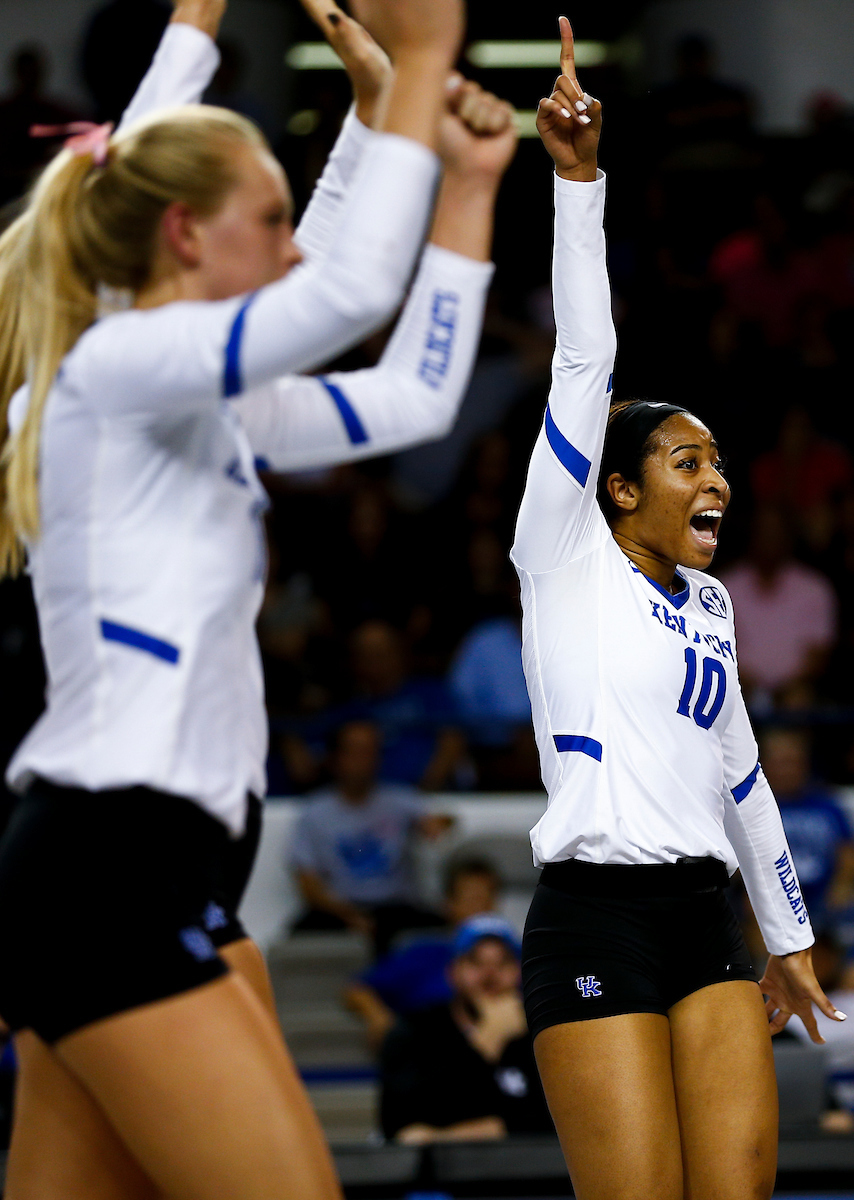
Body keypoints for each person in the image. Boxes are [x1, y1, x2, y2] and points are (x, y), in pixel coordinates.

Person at [0, 1, 470, 1197]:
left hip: (161, 865)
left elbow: (406, 394)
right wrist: (417, 62)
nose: (291, 242)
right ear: (181, 234)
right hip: (110, 861)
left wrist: (455, 185)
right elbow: (338, 291)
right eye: (270, 217)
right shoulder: (107, 372)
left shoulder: (201, 402)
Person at [511, 20, 846, 1200]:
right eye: (684, 461)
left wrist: (788, 933)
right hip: (590, 920)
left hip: (705, 921)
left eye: (717, 462)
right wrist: (576, 182)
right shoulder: (561, 551)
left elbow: (740, 769)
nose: (715, 480)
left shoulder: (706, 597)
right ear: (615, 487)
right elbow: (582, 361)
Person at [380, 913, 551, 1144]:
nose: (490, 975)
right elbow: (401, 1121)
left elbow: (558, 1123)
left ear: (519, 973)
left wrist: (444, 1136)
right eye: (476, 962)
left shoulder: (541, 1035)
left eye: (503, 963)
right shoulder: (416, 1030)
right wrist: (489, 1039)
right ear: (453, 973)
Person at [289, 719, 452, 955]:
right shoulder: (314, 813)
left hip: (395, 907)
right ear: (335, 758)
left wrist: (435, 825)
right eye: (354, 751)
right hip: (338, 910)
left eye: (370, 751)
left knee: (441, 931)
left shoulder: (400, 800)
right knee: (300, 938)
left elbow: (443, 819)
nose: (363, 760)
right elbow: (307, 882)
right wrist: (349, 915)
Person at [345, 855, 502, 1047]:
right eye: (471, 899)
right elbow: (358, 990)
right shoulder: (423, 955)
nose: (480, 909)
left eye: (487, 899)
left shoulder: (513, 960)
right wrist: (378, 1017)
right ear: (449, 905)